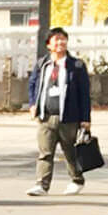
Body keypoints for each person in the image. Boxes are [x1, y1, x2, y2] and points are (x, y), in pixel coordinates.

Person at [26, 27, 92, 196]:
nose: (60, 42)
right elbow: (33, 84)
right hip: (46, 116)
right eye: (56, 39)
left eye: (63, 39)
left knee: (70, 150)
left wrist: (85, 118)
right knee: (45, 152)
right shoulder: (43, 64)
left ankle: (77, 180)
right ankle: (42, 184)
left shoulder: (76, 66)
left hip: (68, 117)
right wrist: (33, 104)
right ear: (49, 44)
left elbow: (84, 93)